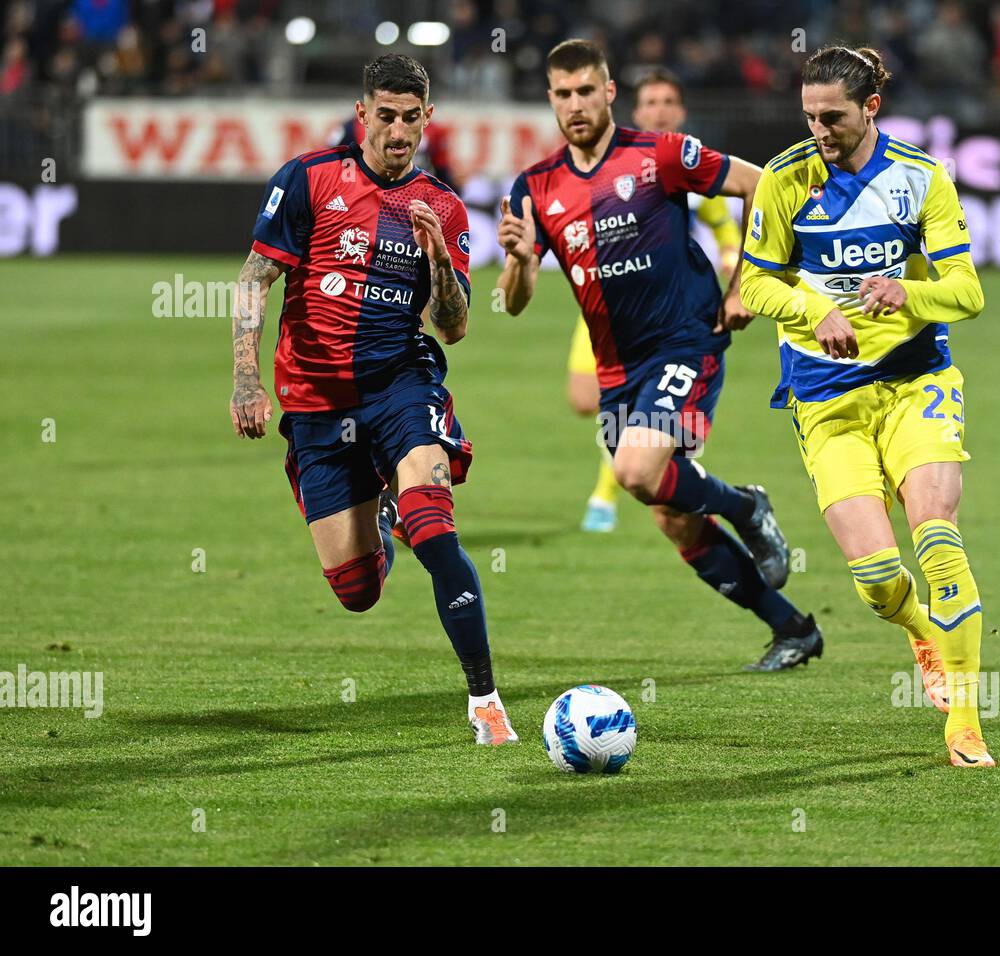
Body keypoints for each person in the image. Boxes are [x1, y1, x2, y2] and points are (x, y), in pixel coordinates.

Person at [497, 39, 824, 672]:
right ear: (550, 100)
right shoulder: (534, 188)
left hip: (686, 340)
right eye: (562, 94)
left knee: (636, 473)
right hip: (618, 366)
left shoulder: (660, 155)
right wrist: (516, 261)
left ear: (610, 92)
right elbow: (513, 304)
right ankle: (792, 628)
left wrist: (744, 287)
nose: (575, 105)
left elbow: (763, 185)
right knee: (673, 518)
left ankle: (746, 506)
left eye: (586, 91)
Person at [229, 54, 518, 745]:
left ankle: (486, 702)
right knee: (356, 591)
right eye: (384, 116)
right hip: (317, 403)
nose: (396, 130)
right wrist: (246, 379)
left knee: (435, 526)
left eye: (409, 118)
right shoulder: (309, 180)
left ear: (427, 120)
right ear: (363, 115)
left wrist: (442, 263)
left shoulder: (442, 207)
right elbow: (252, 279)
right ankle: (378, 508)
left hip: (401, 385)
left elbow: (453, 326)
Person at [740, 46, 994, 765]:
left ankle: (966, 722)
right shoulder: (787, 180)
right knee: (880, 582)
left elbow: (968, 294)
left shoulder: (922, 179)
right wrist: (811, 309)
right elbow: (755, 285)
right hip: (825, 393)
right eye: (809, 116)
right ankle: (919, 630)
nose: (818, 130)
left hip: (917, 381)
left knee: (937, 536)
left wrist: (908, 292)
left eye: (833, 117)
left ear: (871, 108)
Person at [566, 66, 743, 534]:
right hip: (605, 316)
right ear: (636, 111)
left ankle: (607, 495)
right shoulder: (605, 163)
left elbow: (726, 224)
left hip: (668, 324)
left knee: (650, 448)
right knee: (583, 400)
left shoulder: (685, 164)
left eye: (669, 102)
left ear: (681, 111)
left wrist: (733, 269)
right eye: (651, 103)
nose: (660, 111)